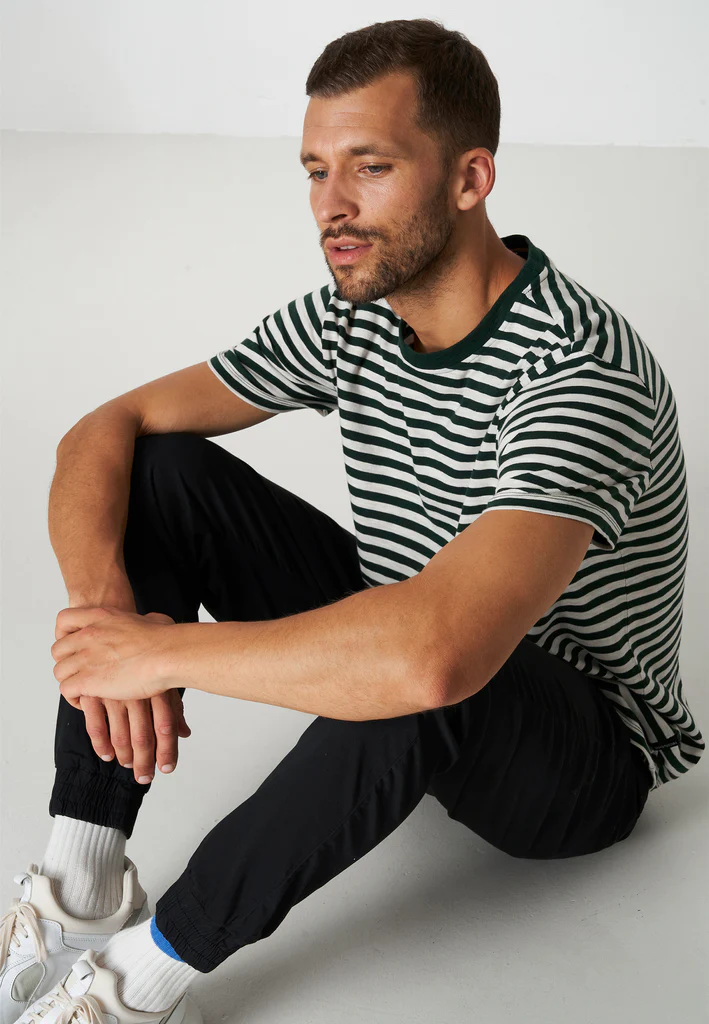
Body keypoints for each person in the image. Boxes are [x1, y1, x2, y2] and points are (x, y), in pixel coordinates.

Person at [0, 17, 703, 1024]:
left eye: (369, 167)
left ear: (470, 179)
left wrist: (167, 655)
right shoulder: (355, 312)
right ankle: (81, 888)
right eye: (315, 171)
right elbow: (103, 430)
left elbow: (437, 655)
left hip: (579, 757)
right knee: (159, 473)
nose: (332, 206)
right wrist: (108, 616)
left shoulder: (576, 369)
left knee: (430, 660)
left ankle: (138, 979)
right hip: (419, 630)